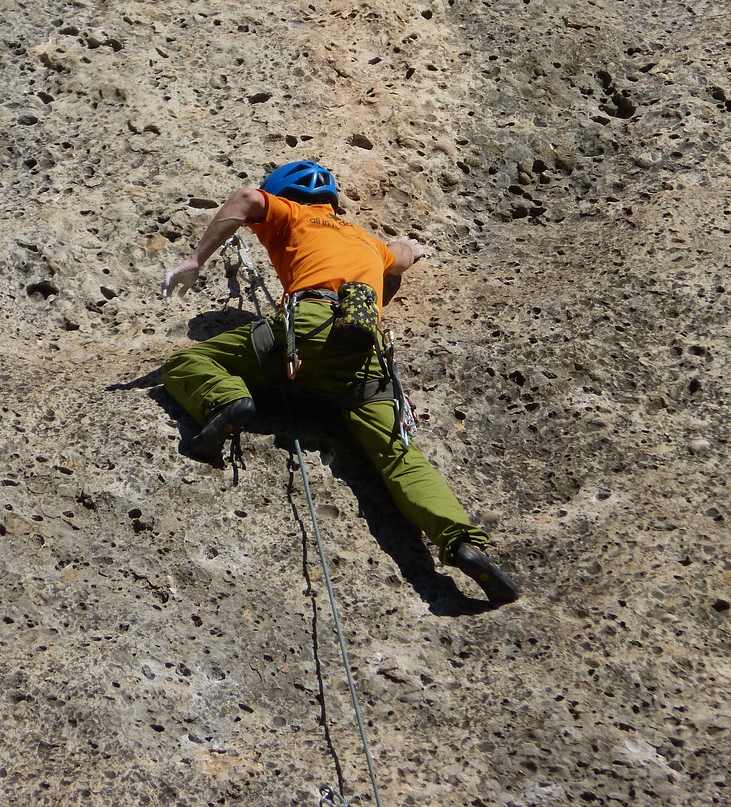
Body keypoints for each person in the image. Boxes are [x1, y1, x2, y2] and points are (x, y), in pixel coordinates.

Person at [160, 160, 519, 603]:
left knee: (185, 365)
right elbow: (401, 256)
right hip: (364, 349)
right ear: (332, 201)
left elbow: (246, 199)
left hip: (306, 327)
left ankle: (229, 402)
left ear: (285, 196)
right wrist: (410, 247)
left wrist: (196, 258)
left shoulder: (292, 214)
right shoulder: (365, 240)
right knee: (398, 455)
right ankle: (462, 543)